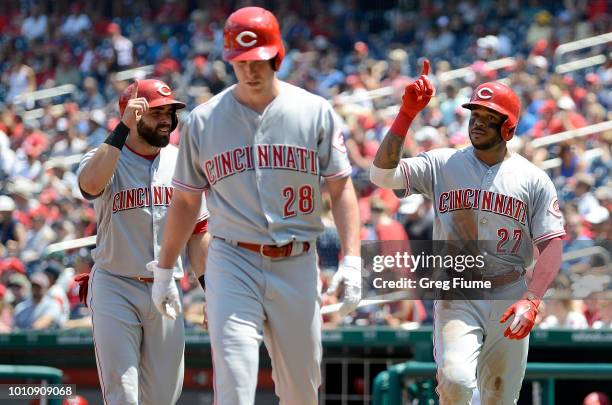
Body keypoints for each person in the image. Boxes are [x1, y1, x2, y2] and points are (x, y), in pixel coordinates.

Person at [148, 7, 362, 405]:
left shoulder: (314, 111)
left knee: (301, 389)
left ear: (277, 56)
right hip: (232, 260)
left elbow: (341, 187)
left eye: (258, 60)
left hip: (297, 261)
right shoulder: (202, 121)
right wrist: (165, 268)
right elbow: (185, 202)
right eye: (240, 62)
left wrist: (352, 259)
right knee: (234, 380)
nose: (250, 70)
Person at [370, 67, 565, 404]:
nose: (477, 121)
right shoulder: (442, 163)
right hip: (459, 290)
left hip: (509, 291)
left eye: (489, 117)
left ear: (509, 127)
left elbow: (552, 245)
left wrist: (532, 299)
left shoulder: (533, 179)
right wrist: (405, 116)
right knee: (456, 381)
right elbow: (382, 176)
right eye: (475, 113)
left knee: (499, 397)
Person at [76, 79, 209, 405]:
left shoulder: (182, 162)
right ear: (132, 117)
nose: (166, 118)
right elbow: (89, 186)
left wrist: (214, 293)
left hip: (166, 289)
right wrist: (121, 130)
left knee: (162, 398)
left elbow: (199, 235)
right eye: (156, 111)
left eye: (170, 111)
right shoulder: (105, 156)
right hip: (116, 285)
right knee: (124, 393)